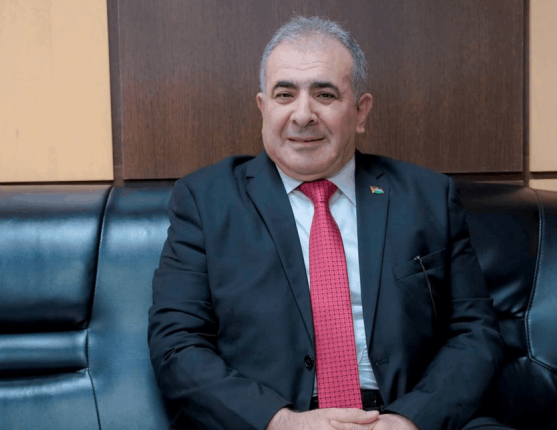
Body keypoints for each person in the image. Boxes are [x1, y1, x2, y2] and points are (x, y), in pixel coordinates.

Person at [148, 16, 507, 430]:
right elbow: (176, 344)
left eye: (325, 94)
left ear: (360, 111)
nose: (303, 115)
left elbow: (475, 333)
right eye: (285, 94)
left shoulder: (427, 197)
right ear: (263, 108)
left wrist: (409, 420)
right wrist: (283, 422)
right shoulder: (206, 201)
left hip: (405, 414)